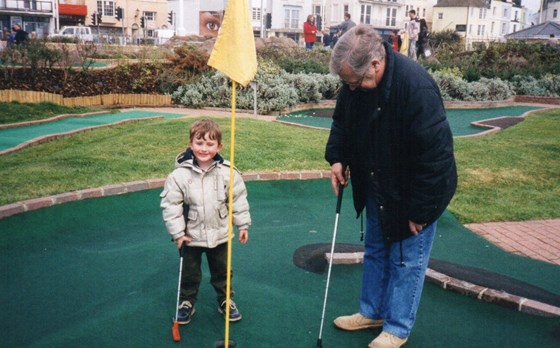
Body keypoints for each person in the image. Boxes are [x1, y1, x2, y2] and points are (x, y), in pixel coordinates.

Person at [325, 25, 457, 348]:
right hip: (377, 180)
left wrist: (420, 211)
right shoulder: (355, 84)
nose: (351, 88)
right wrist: (338, 159)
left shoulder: (416, 88)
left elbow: (436, 159)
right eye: (348, 83)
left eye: (355, 82)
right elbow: (342, 122)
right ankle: (371, 312)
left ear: (375, 63)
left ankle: (397, 327)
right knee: (375, 249)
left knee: (406, 258)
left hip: (415, 189)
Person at [160, 119, 251, 325]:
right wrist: (177, 234)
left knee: (223, 271)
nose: (204, 148)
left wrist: (242, 224)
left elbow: (237, 199)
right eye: (199, 143)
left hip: (220, 234)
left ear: (219, 147)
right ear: (190, 144)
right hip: (190, 236)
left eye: (210, 144)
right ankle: (186, 302)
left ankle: (226, 300)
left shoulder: (228, 172)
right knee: (189, 273)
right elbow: (171, 206)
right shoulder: (179, 176)